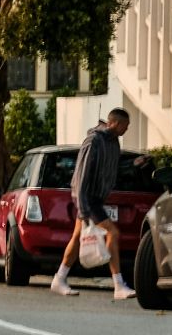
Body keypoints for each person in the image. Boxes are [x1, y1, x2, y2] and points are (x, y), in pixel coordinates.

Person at [52, 108, 144, 299]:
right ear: (115, 124)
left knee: (77, 239)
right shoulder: (93, 141)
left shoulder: (113, 143)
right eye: (126, 126)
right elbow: (82, 174)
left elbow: (115, 169)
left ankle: (59, 279)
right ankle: (118, 285)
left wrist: (134, 164)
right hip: (87, 198)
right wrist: (84, 208)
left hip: (96, 199)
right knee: (113, 233)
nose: (127, 129)